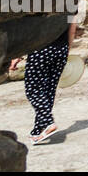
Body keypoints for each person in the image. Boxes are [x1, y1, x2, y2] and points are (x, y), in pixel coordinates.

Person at [9, 12, 78, 145]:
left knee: (33, 90)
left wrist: (17, 54)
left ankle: (48, 122)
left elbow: (29, 30)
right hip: (61, 49)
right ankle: (38, 131)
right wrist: (66, 50)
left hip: (40, 50)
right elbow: (72, 26)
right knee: (47, 91)